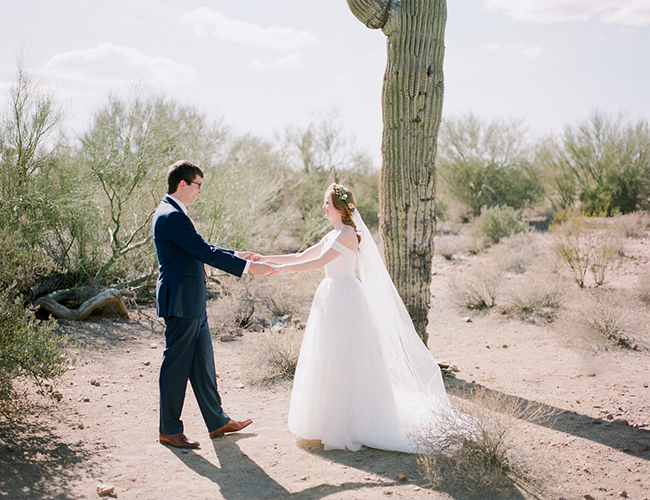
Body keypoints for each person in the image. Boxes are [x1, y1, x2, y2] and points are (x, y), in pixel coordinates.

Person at [258, 184, 459, 452]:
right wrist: (264, 258)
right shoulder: (331, 234)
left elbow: (319, 263)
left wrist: (278, 270)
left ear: (340, 206)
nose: (323, 207)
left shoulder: (348, 233)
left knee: (346, 355)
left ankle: (352, 421)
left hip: (345, 296)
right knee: (328, 355)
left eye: (326, 202)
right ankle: (327, 419)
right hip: (329, 295)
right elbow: (301, 255)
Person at [152, 160, 272, 449]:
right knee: (176, 366)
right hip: (181, 302)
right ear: (183, 184)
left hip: (191, 301)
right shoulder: (171, 215)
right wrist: (246, 267)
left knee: (203, 363)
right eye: (197, 185)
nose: (200, 192)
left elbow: (199, 247)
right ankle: (169, 428)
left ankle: (217, 421)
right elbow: (202, 250)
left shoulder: (175, 212)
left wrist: (237, 254)